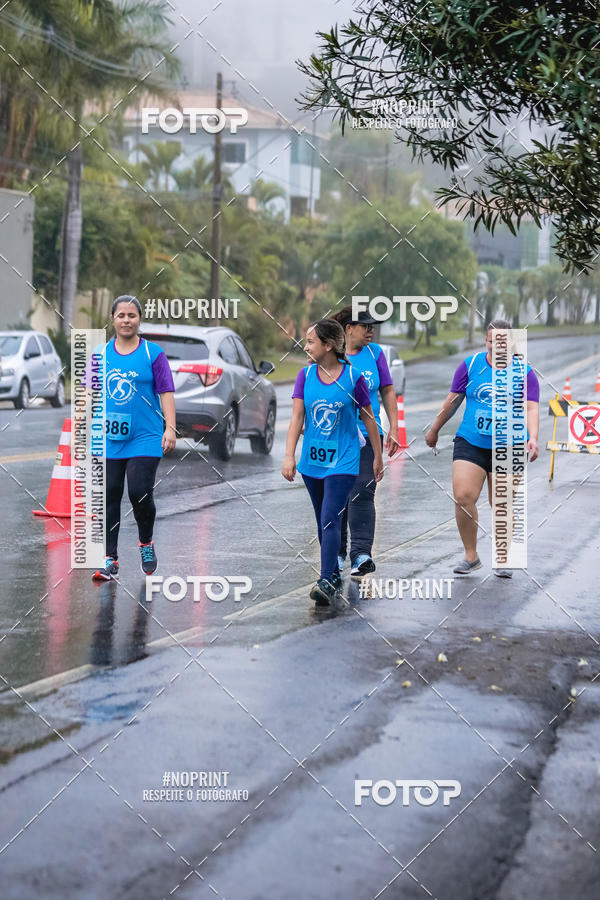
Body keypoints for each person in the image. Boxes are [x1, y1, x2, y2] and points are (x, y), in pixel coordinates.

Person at [425, 319, 539, 577]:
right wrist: (435, 429)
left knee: (501, 502)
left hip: (510, 444)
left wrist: (533, 437)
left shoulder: (525, 372)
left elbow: (532, 407)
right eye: (491, 340)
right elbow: (453, 401)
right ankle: (471, 555)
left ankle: (502, 557)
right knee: (464, 496)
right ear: (486, 341)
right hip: (471, 440)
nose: (496, 345)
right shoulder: (471, 365)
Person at [282, 319, 384, 606]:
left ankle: (326, 578)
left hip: (344, 461)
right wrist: (289, 455)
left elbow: (368, 418)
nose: (306, 346)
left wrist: (377, 456)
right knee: (323, 520)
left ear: (328, 345)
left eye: (311, 341)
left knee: (330, 518)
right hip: (312, 462)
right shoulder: (304, 375)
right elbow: (296, 419)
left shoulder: (353, 379)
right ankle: (333, 572)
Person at [91, 295, 176, 581]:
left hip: (145, 436)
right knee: (110, 494)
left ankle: (146, 542)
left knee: (139, 493)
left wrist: (170, 428)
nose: (126, 320)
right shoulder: (99, 355)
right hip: (109, 437)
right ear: (112, 319)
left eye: (132, 315)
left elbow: (166, 392)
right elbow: (88, 396)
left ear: (139, 319)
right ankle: (109, 558)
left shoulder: (153, 354)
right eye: (121, 315)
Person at [331, 307, 399, 577]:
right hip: (335, 437)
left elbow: (387, 390)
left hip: (369, 435)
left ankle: (361, 555)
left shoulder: (376, 354)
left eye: (373, 326)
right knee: (338, 495)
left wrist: (393, 427)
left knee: (362, 491)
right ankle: (336, 555)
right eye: (365, 326)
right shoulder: (330, 355)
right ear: (348, 329)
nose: (371, 330)